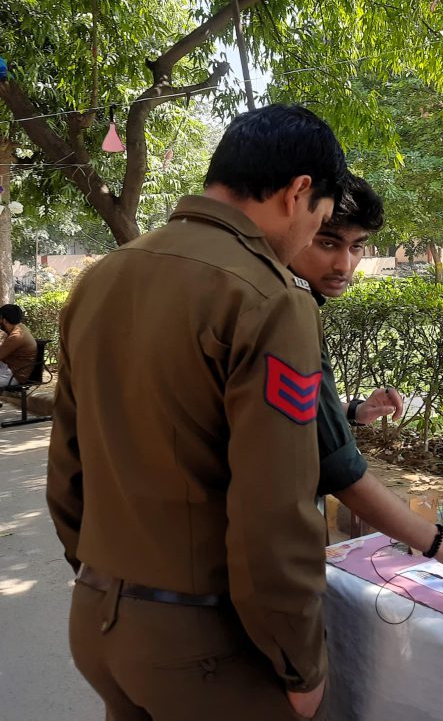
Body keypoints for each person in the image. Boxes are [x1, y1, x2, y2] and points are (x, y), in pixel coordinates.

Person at [47, 104, 351, 721]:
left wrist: (109, 581)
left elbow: (67, 471)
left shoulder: (100, 279)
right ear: (298, 192)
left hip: (98, 618)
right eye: (320, 221)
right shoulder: (270, 299)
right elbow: (275, 509)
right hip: (206, 648)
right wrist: (300, 662)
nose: (309, 240)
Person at [288, 175, 443, 575]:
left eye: (356, 247)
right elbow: (337, 466)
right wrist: (440, 544)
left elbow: (289, 411)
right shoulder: (286, 309)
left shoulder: (294, 299)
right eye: (328, 243)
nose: (344, 264)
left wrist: (353, 411)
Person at [0, 303, 37, 385]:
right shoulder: (21, 328)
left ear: (4, 320)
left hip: (14, 376)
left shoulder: (16, 336)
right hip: (10, 369)